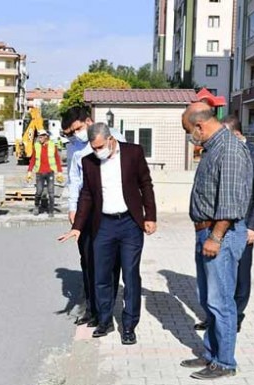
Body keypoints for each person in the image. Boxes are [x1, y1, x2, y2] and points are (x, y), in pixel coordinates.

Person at [58, 123, 157, 345]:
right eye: (94, 148)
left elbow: (146, 185)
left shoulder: (133, 153)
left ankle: (129, 326)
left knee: (130, 276)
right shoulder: (89, 162)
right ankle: (104, 321)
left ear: (111, 139)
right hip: (103, 226)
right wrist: (78, 227)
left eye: (101, 146)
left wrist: (150, 216)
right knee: (101, 276)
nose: (97, 151)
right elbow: (86, 196)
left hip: (130, 224)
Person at [179, 102, 253, 380]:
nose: (191, 137)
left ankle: (225, 363)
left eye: (190, 131)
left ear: (200, 125)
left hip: (219, 234)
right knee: (209, 300)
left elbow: (231, 203)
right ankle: (211, 354)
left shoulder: (230, 150)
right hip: (207, 233)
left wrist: (215, 236)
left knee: (221, 301)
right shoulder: (215, 147)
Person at [194, 115, 254, 334]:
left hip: (242, 226)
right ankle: (215, 320)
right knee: (217, 281)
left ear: (236, 133)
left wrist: (253, 226)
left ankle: (235, 317)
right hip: (216, 224)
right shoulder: (217, 151)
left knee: (241, 275)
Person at [62, 107, 121, 327]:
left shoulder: (113, 138)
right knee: (88, 261)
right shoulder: (74, 148)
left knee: (109, 263)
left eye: (77, 129)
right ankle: (92, 308)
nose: (75, 134)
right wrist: (72, 208)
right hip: (85, 212)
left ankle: (106, 310)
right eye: (70, 132)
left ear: (88, 121)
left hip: (110, 211)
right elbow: (74, 179)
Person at [27, 130, 63, 217]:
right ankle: (36, 206)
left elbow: (57, 159)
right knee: (39, 191)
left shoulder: (52, 146)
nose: (39, 138)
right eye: (39, 137)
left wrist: (59, 172)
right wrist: (29, 171)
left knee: (51, 192)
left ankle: (51, 211)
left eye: (41, 137)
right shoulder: (36, 146)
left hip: (50, 172)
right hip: (39, 172)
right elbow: (33, 159)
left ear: (46, 136)